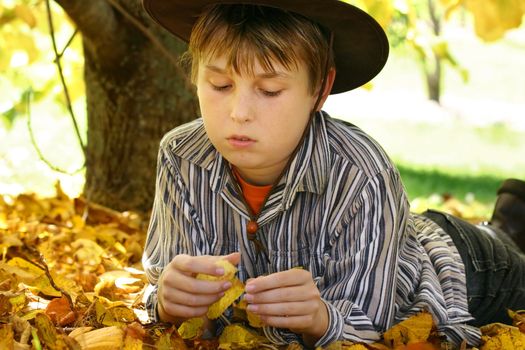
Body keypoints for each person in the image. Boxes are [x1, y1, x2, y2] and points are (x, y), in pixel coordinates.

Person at [140, 0, 525, 348]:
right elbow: (174, 293)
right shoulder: (182, 156)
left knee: (511, 259)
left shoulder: (363, 170)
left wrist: (322, 318)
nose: (239, 111)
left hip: (468, 269)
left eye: (270, 90)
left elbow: (373, 324)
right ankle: (511, 218)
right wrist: (171, 301)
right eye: (220, 84)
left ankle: (506, 227)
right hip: (396, 236)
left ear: (320, 90)